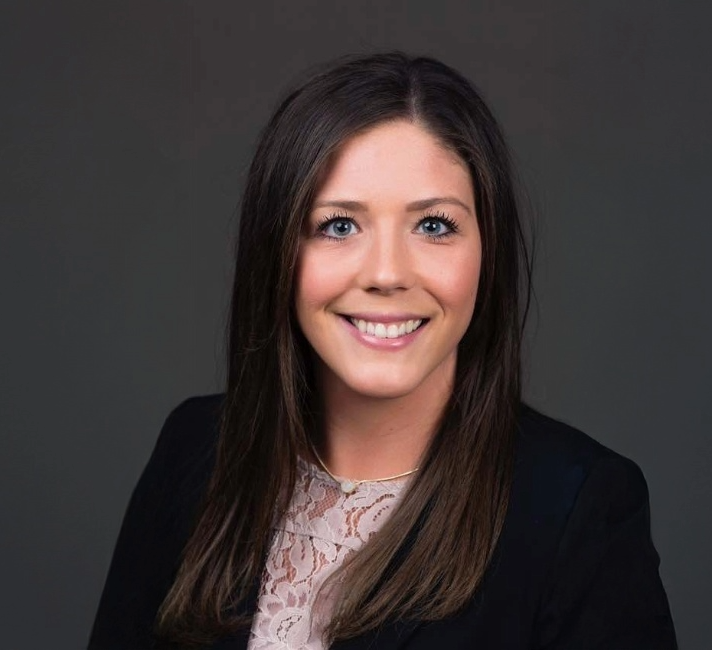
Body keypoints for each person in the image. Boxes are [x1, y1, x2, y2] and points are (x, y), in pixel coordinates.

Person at [88, 51, 677, 650]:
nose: (388, 274)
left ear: (487, 252)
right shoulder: (196, 450)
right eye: (340, 225)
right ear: (279, 253)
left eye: (434, 226)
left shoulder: (578, 509)